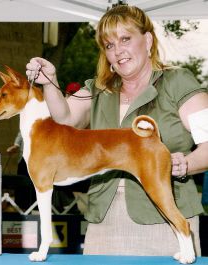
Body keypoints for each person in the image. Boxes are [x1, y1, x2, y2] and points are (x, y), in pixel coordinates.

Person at [26, 4, 208, 256]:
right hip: (105, 223)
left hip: (163, 224)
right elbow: (64, 118)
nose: (118, 50)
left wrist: (185, 164)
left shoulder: (178, 82)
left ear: (147, 40)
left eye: (125, 39)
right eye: (109, 45)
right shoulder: (98, 88)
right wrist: (50, 82)